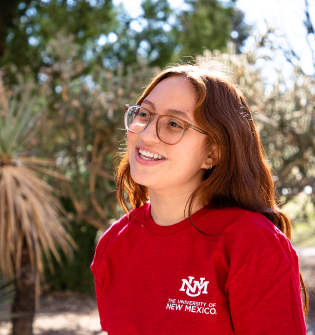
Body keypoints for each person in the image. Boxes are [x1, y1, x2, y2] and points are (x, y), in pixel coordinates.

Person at [91, 64, 308, 334]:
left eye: (173, 124)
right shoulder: (113, 246)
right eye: (144, 114)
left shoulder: (253, 246)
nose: (145, 134)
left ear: (214, 153)